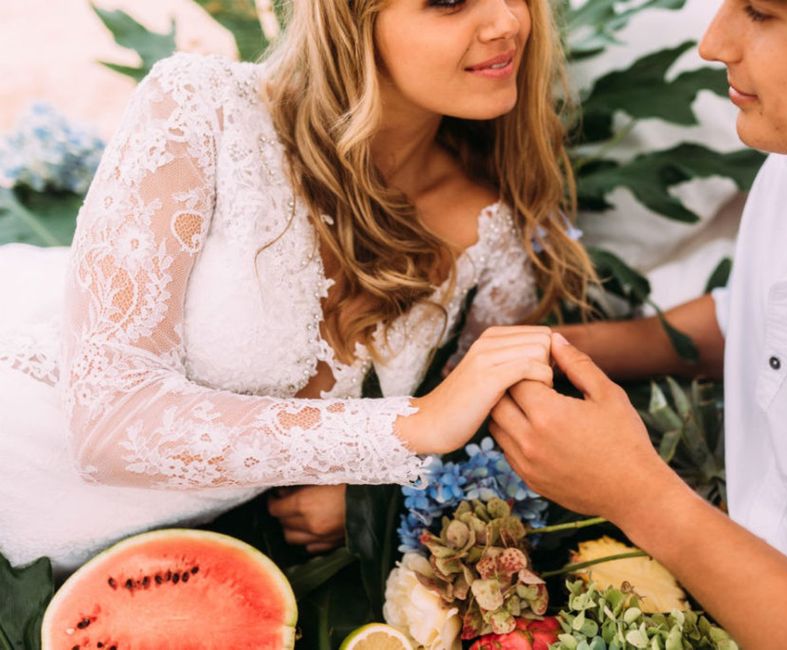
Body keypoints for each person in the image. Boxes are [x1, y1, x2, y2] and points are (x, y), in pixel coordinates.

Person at [0, 0, 593, 574]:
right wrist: (411, 426)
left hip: (147, 579)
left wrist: (372, 497)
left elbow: (480, 424)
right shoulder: (201, 109)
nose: (507, 20)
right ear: (351, 16)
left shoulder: (493, 230)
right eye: (448, 1)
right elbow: (111, 425)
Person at [490, 1, 787, 648]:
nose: (713, 43)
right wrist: (575, 347)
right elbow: (775, 313)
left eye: (761, 12)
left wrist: (638, 496)